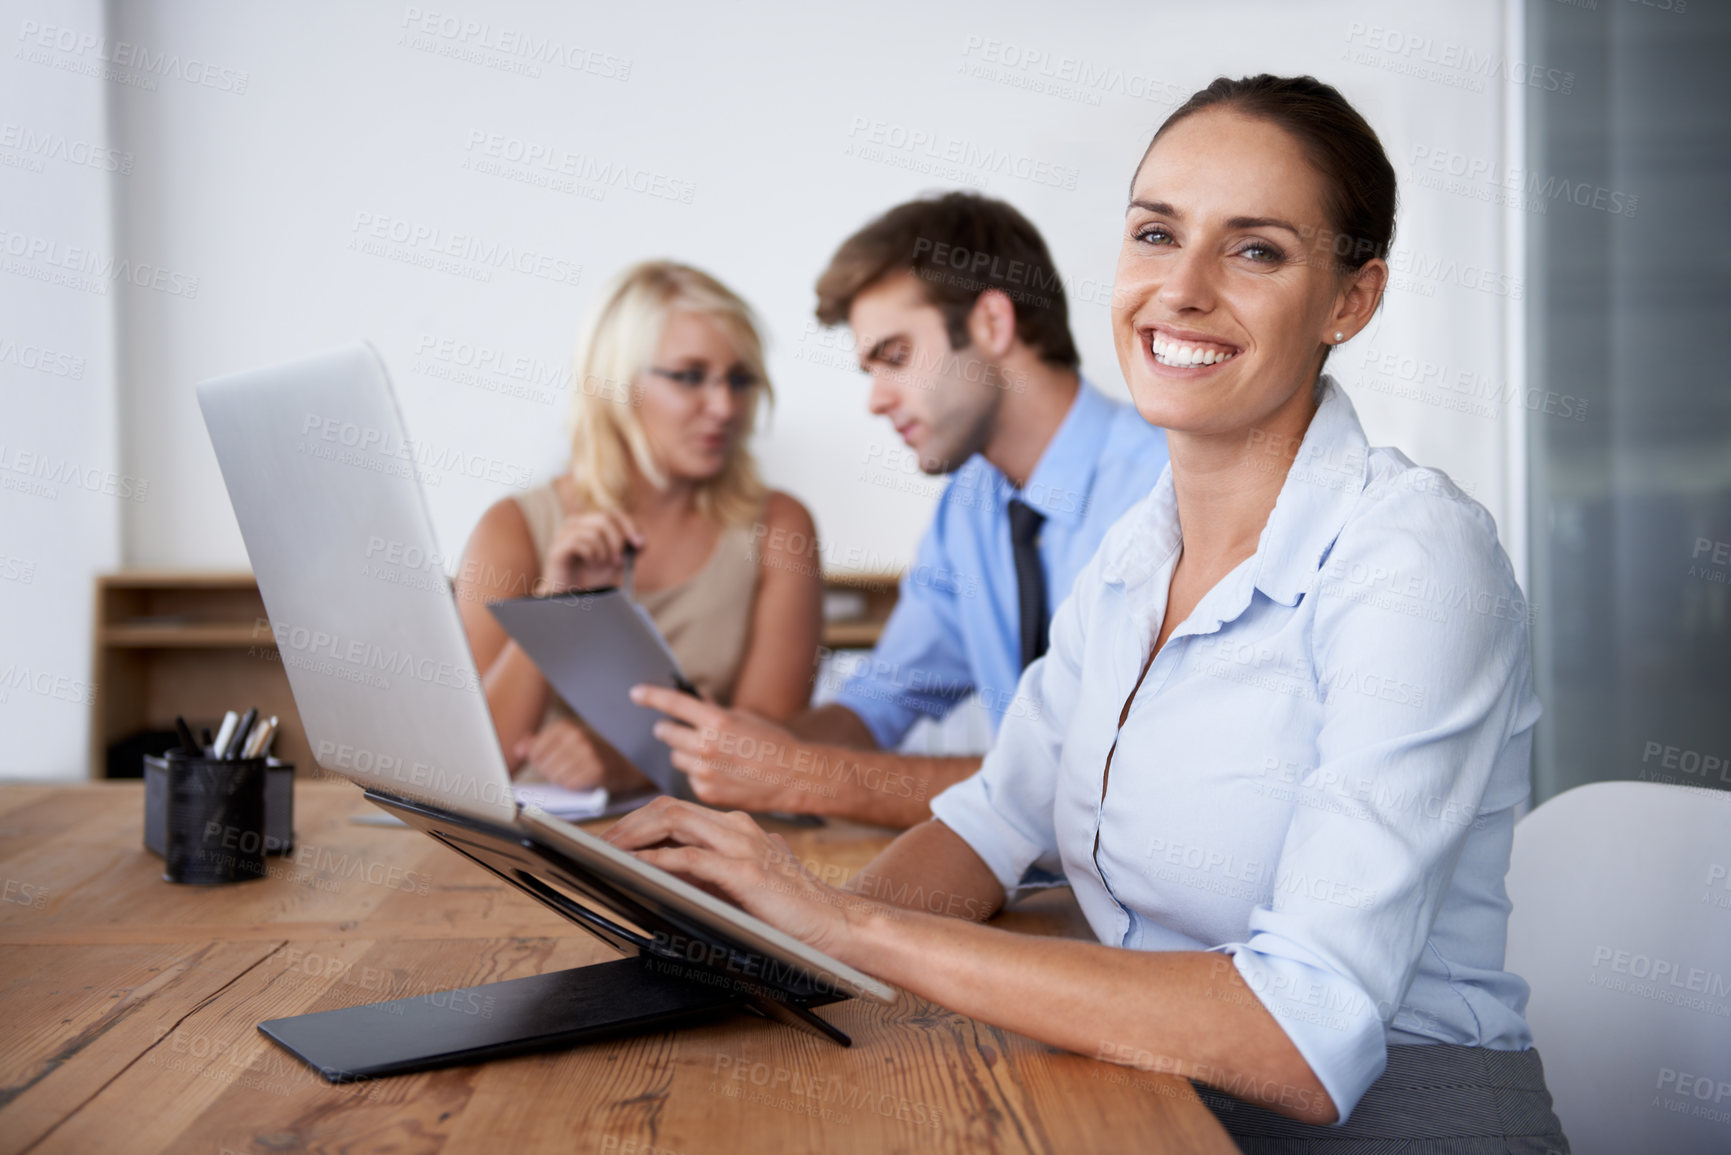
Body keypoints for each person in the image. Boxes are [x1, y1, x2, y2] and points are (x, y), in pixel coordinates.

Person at [613, 76, 1571, 1150]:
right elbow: (995, 822)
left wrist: (845, 924)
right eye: (1156, 234)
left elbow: (1304, 1037)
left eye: (1255, 250)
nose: (1183, 288)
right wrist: (768, 949)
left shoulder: (1413, 559)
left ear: (1350, 300)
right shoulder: (1138, 548)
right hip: (1151, 1093)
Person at [631, 192, 1170, 827]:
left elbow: (1105, 779)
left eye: (894, 356)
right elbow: (877, 704)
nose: (876, 400)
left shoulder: (1168, 491)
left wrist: (804, 775)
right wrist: (747, 752)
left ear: (992, 324)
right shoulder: (971, 506)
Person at [455, 261, 822, 794]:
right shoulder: (512, 528)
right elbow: (474, 765)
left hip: (701, 834)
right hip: (537, 845)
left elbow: (761, 757)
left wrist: (631, 764)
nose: (724, 406)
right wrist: (557, 603)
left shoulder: (780, 527)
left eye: (740, 380)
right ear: (616, 384)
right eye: (689, 376)